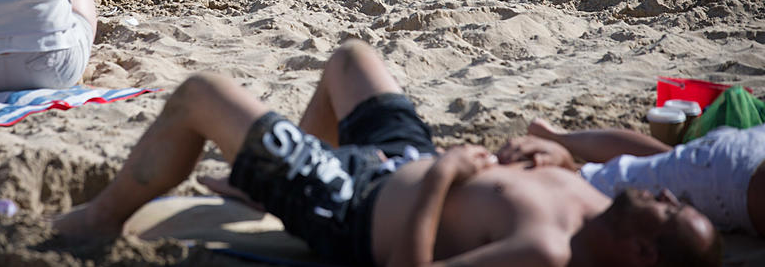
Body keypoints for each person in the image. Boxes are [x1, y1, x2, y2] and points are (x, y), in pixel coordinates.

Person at [54, 40, 722, 267]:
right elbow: (552, 175)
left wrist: (443, 176)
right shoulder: (599, 201)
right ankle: (269, 187)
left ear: (641, 253)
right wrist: (552, 158)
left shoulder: (548, 252)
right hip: (405, 160)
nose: (667, 194)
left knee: (202, 93)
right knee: (351, 59)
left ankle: (101, 217)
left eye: (668, 211)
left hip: (357, 203)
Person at [498, 117, 765, 239]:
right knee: (597, 180)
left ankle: (558, 143)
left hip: (743, 166)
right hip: (737, 175)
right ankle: (563, 152)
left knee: (670, 159)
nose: (665, 199)